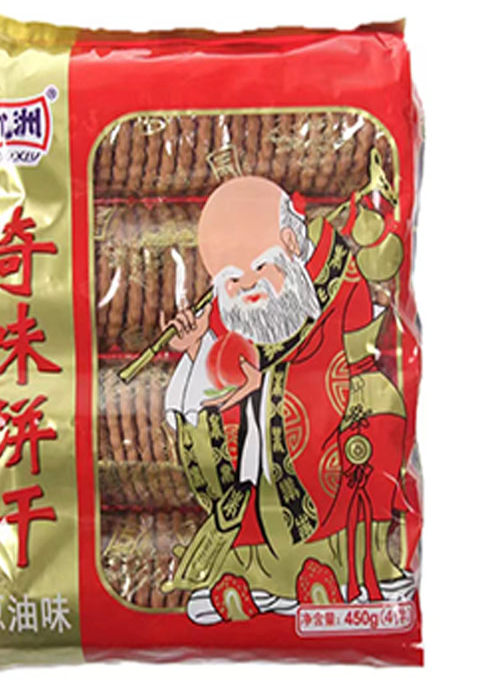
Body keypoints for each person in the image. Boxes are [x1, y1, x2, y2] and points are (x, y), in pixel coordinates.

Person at [162, 175, 420, 624]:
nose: (248, 285)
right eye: (232, 278)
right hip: (255, 439)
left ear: (289, 243)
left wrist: (270, 381)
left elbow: (352, 344)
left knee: (363, 419)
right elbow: (208, 384)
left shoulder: (335, 277)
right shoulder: (228, 316)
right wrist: (196, 350)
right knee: (237, 458)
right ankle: (254, 580)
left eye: (260, 267)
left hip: (327, 430)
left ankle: (343, 572)